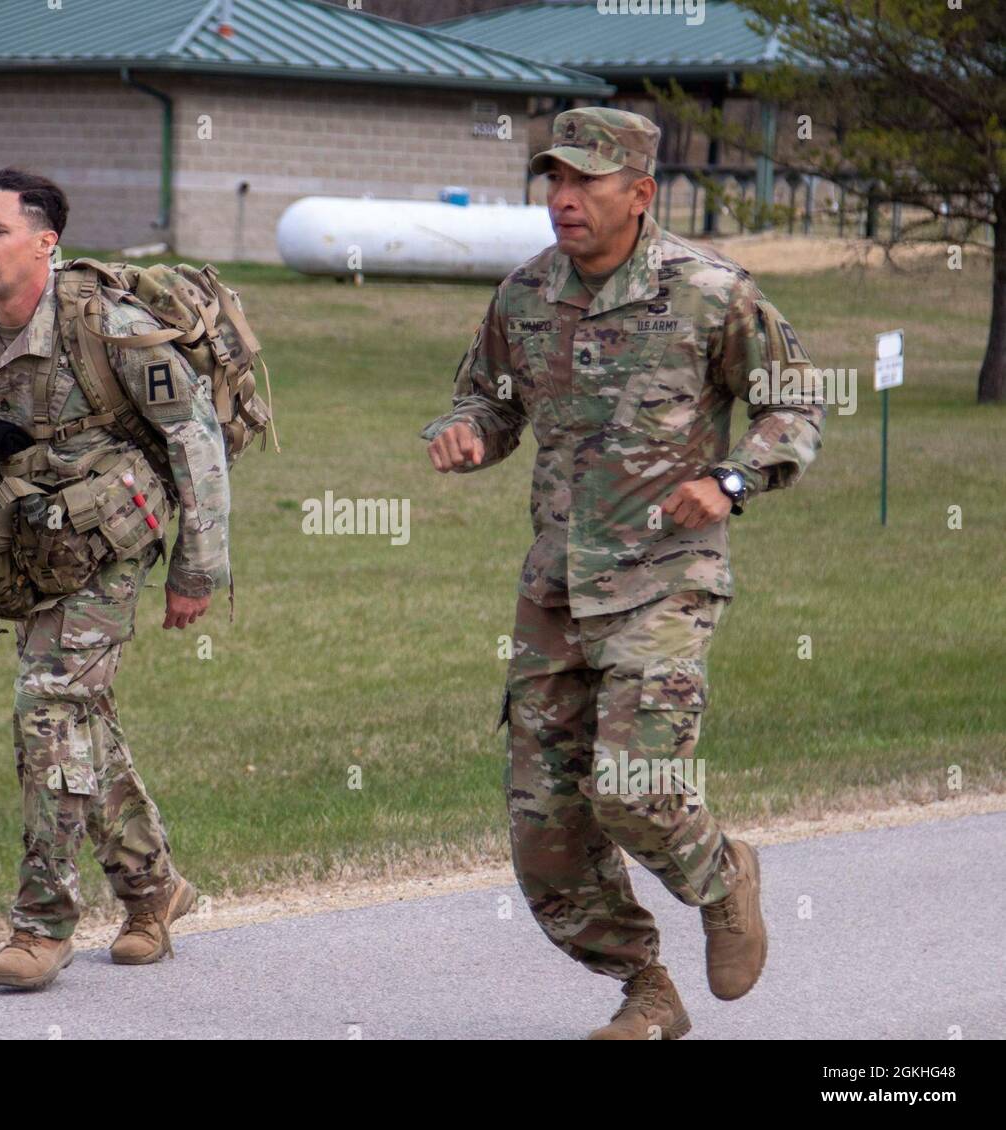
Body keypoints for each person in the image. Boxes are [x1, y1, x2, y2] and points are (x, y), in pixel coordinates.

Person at [422, 108, 825, 1039]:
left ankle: (725, 878)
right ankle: (645, 988)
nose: (563, 200)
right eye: (553, 182)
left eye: (586, 183)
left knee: (634, 790)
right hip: (555, 589)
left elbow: (794, 406)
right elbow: (487, 398)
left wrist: (730, 479)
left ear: (639, 193)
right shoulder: (523, 294)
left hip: (665, 579)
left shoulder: (711, 293)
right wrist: (468, 432)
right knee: (546, 827)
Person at [0, 168, 231, 990]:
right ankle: (153, 891)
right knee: (82, 721)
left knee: (48, 709)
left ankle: (41, 927)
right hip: (22, 544)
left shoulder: (110, 325)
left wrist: (198, 569)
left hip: (109, 544)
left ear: (46, 241)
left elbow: (195, 441)